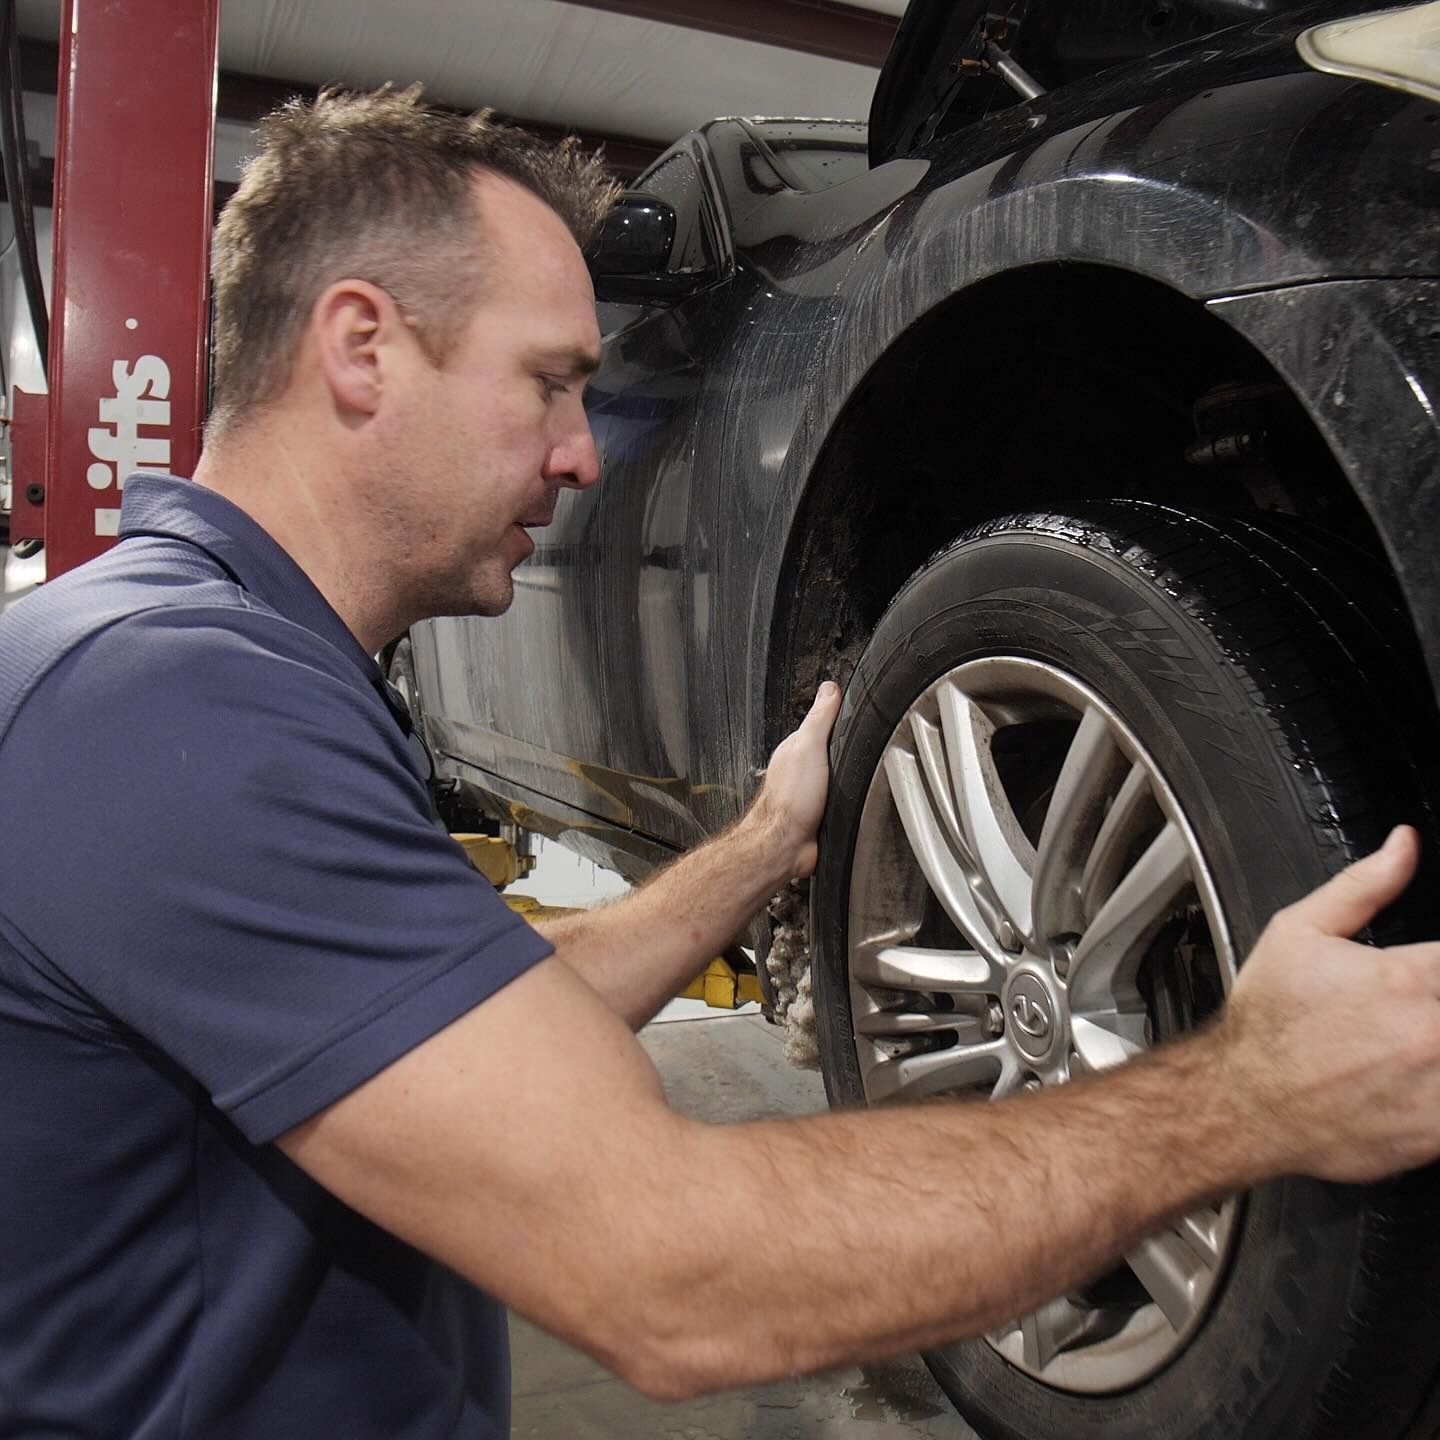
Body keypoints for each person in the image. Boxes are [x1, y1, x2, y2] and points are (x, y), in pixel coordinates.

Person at [1, 85, 1439, 1439]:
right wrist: (1251, 1093)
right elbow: (672, 1273)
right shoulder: (171, 707)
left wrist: (760, 846)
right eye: (553, 383)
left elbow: (457, 1026)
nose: (584, 457)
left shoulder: (206, 668)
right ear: (362, 347)